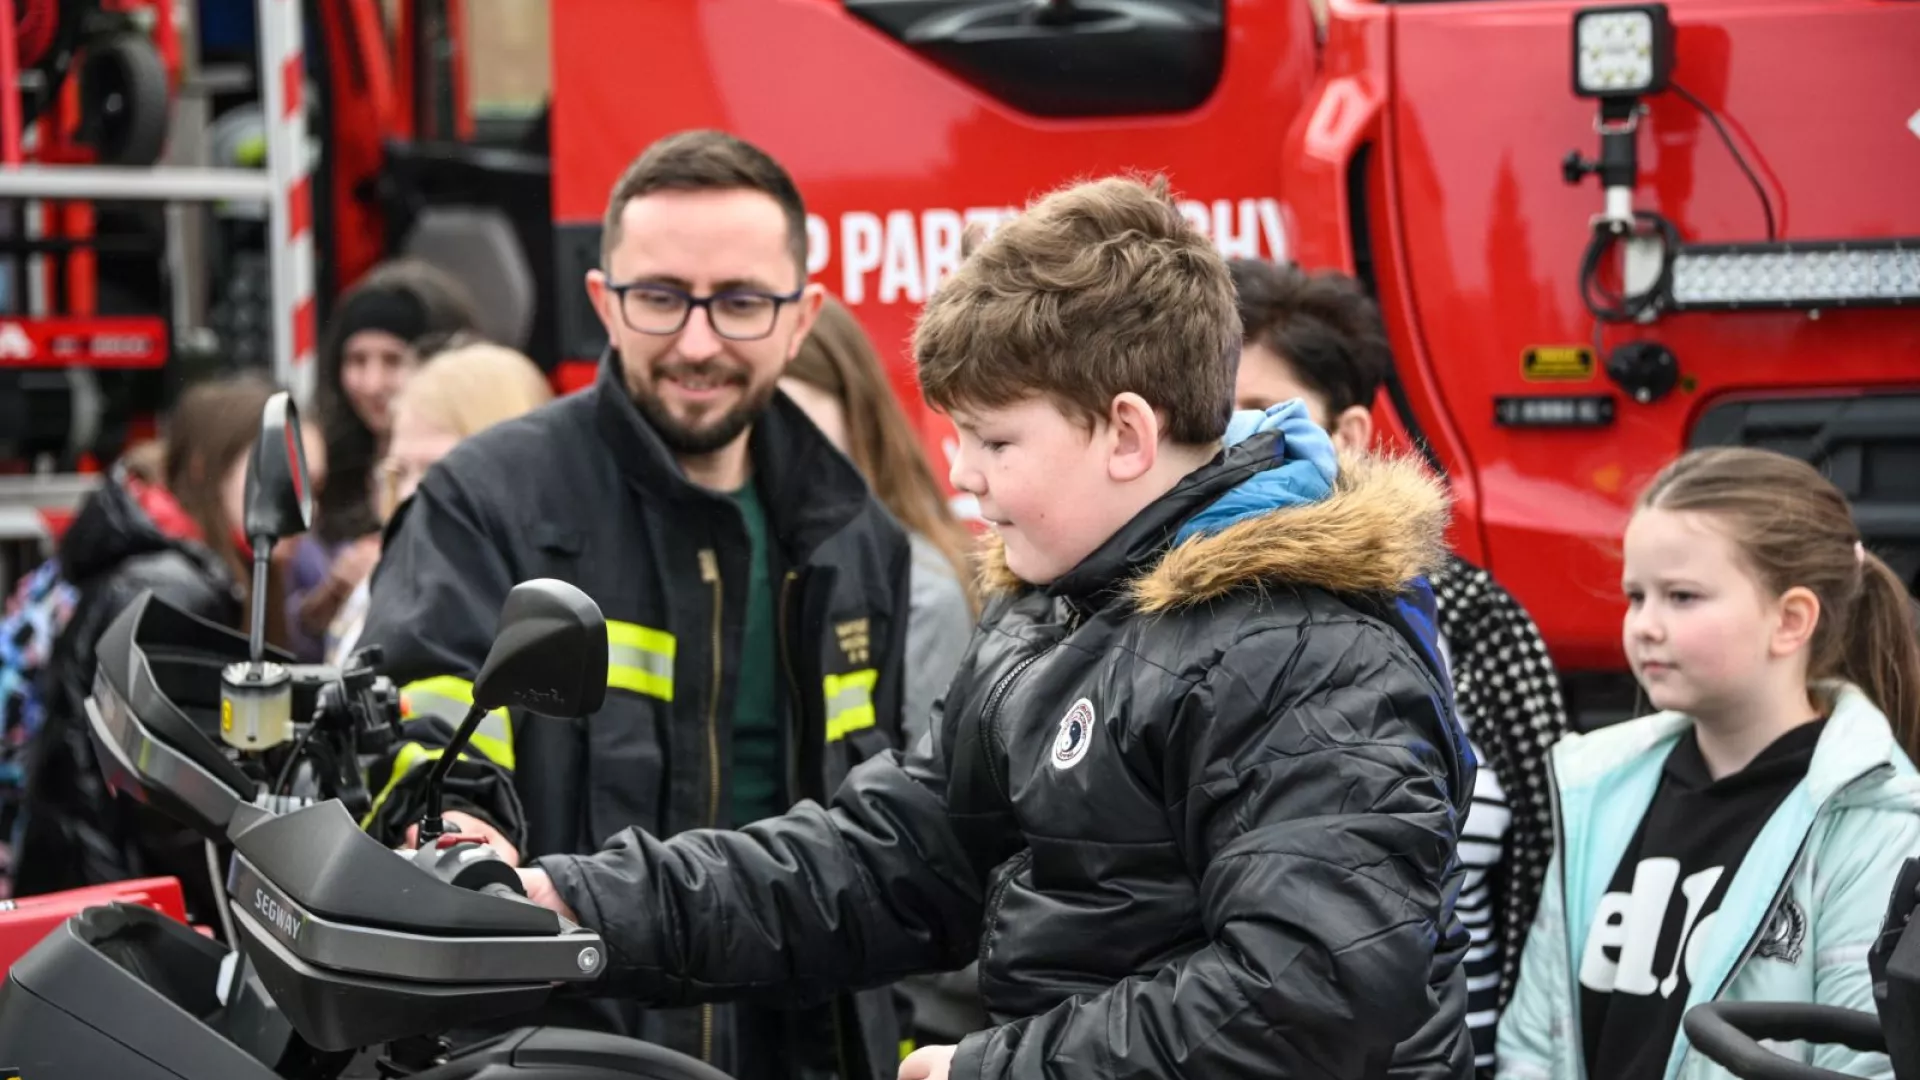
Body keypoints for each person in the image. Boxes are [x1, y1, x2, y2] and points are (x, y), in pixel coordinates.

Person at [515, 175, 1478, 1080]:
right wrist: (572, 907)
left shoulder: (1306, 652)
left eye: (995, 440)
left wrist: (994, 1070)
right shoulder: (1055, 613)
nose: (962, 474)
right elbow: (886, 860)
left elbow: (1311, 992)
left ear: (1127, 434)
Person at [357, 130, 916, 1079]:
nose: (697, 343)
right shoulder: (486, 504)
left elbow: (881, 837)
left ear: (801, 318)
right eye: (660, 297)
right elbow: (420, 729)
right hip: (566, 1054)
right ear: (602, 302)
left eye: (740, 302)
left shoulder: (857, 540)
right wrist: (459, 836)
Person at [1230, 257, 1571, 1075]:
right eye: (1209, 419)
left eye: (1255, 414)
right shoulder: (1171, 624)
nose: (1228, 446)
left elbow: (1552, 872)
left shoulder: (1473, 619)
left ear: (1347, 434)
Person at [1497, 446, 1920, 1080]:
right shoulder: (1595, 788)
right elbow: (1533, 1045)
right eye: (1636, 596)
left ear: (1791, 620)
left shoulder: (1873, 819)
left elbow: (1861, 1063)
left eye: (1682, 596)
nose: (1645, 625)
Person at [11, 373, 279, 923]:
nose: (297, 508)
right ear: (204, 467)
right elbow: (170, 794)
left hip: (70, 864)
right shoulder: (172, 589)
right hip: (113, 888)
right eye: (270, 477)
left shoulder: (143, 553)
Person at [780, 294, 977, 744]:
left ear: (854, 410)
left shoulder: (920, 592)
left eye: (789, 414)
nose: (769, 439)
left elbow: (927, 777)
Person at [286, 259, 480, 660]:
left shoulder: (478, 459)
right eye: (357, 361)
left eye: (393, 361)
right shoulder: (324, 466)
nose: (372, 384)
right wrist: (329, 595)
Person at [324, 338, 554, 666]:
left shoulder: (539, 605)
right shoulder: (379, 583)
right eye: (400, 471)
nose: (408, 494)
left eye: (438, 472)